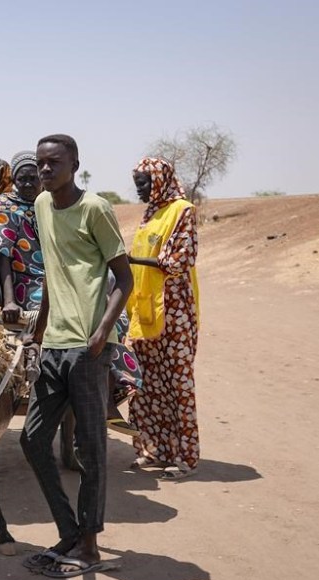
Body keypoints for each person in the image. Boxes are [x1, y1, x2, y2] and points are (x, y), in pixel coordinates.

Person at [19, 134, 133, 578]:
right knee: (32, 439)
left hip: (87, 349)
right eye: (41, 163)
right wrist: (39, 330)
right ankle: (70, 529)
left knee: (90, 448)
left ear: (75, 165)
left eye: (54, 163)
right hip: (53, 346)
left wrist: (102, 332)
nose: (45, 171)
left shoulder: (95, 209)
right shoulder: (42, 208)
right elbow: (53, 272)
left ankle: (89, 546)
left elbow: (123, 277)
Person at [127, 157, 201, 480]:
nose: (139, 189)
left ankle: (184, 457)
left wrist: (129, 259)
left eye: (144, 183)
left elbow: (178, 260)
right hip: (146, 309)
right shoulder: (150, 214)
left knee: (177, 384)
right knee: (148, 383)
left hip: (174, 311)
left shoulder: (182, 210)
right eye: (137, 183)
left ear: (160, 180)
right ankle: (153, 450)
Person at [0, 150, 43, 323]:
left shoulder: (47, 204)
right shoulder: (5, 208)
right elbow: (2, 256)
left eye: (33, 178)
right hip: (27, 285)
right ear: (14, 181)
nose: (28, 184)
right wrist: (9, 302)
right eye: (22, 179)